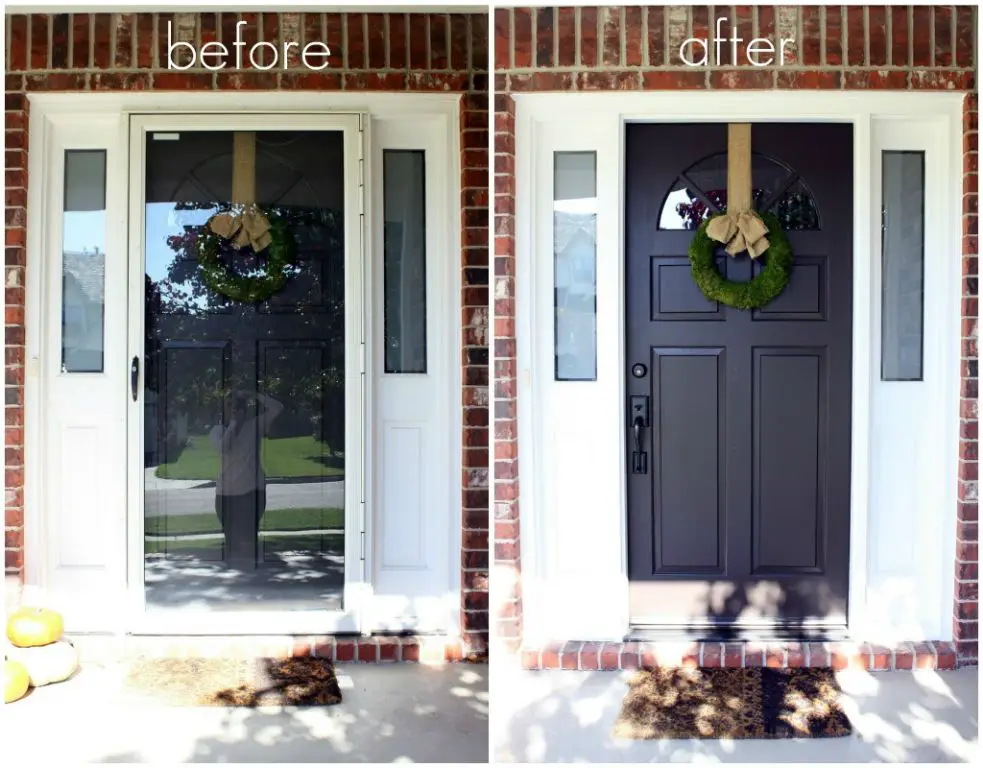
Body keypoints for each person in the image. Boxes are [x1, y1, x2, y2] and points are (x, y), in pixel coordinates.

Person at [209, 388, 284, 570]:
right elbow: (223, 448)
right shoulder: (217, 430)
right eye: (229, 405)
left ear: (244, 408)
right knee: (232, 545)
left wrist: (255, 394)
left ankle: (254, 583)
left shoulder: (254, 426)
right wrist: (234, 424)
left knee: (248, 545)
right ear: (224, 409)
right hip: (226, 494)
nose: (233, 409)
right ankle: (231, 587)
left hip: (252, 492)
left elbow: (277, 408)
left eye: (237, 405)